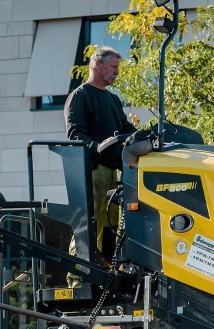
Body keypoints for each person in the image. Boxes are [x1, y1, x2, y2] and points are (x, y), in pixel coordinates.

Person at [64, 45, 136, 275]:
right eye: (113, 67)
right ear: (97, 63)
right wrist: (97, 147)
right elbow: (75, 134)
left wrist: (144, 137)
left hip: (113, 171)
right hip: (92, 170)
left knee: (112, 227)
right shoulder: (80, 96)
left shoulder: (113, 100)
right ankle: (79, 277)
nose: (117, 72)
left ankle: (109, 273)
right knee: (89, 225)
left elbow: (126, 129)